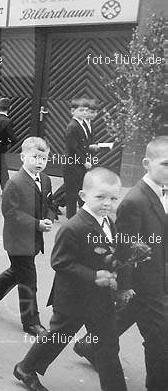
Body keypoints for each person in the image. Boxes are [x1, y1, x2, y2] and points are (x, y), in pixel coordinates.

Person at [14, 168, 127, 391]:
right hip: (72, 298)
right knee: (57, 337)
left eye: (113, 198)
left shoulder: (109, 223)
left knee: (108, 344)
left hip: (100, 300)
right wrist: (94, 276)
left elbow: (109, 253)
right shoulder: (73, 227)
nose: (107, 203)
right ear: (84, 196)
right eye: (100, 197)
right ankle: (26, 368)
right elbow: (60, 262)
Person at [73, 137, 167, 391]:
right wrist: (125, 286)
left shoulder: (164, 191)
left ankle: (90, 344)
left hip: (160, 276)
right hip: (144, 282)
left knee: (129, 315)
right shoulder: (135, 201)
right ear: (147, 164)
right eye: (166, 164)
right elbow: (124, 249)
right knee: (160, 337)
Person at [0, 137, 55, 336]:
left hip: (34, 239)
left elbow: (49, 204)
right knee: (29, 280)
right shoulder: (15, 183)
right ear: (23, 157)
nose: (39, 162)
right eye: (35, 157)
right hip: (17, 241)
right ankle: (31, 322)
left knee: (18, 272)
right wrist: (36, 223)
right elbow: (10, 213)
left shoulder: (45, 180)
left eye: (43, 159)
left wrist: (48, 219)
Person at [63, 98, 94, 218]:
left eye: (86, 111)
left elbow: (84, 145)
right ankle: (71, 218)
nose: (84, 113)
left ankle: (83, 216)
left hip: (79, 164)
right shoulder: (72, 126)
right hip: (72, 164)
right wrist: (84, 161)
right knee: (71, 194)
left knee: (81, 190)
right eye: (81, 110)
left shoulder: (82, 125)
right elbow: (73, 147)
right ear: (73, 111)